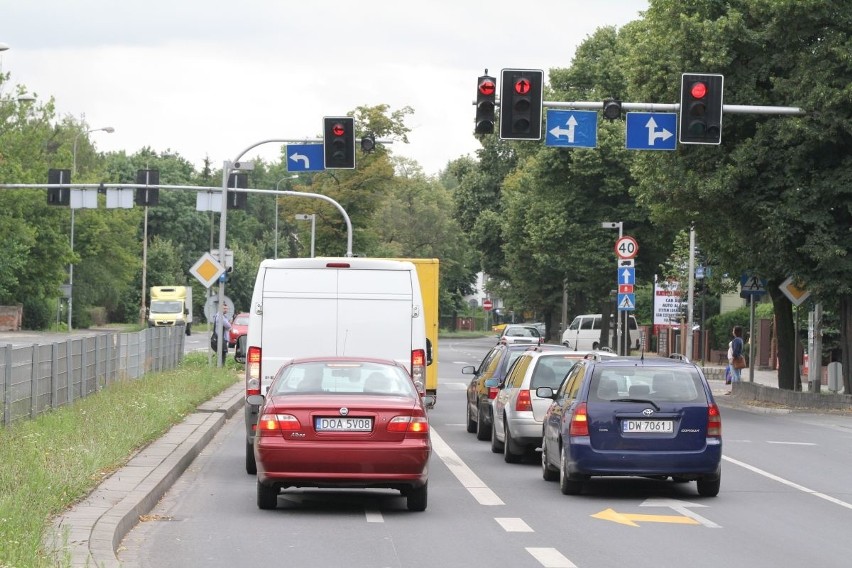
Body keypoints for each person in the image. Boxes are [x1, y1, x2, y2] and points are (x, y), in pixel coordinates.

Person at [726, 325, 744, 394]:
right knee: (734, 375)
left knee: (736, 375)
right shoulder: (740, 339)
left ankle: (736, 390)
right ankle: (734, 389)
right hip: (736, 359)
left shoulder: (736, 340)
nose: (732, 332)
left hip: (734, 360)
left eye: (733, 330)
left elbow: (735, 351)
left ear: (736, 332)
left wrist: (733, 358)